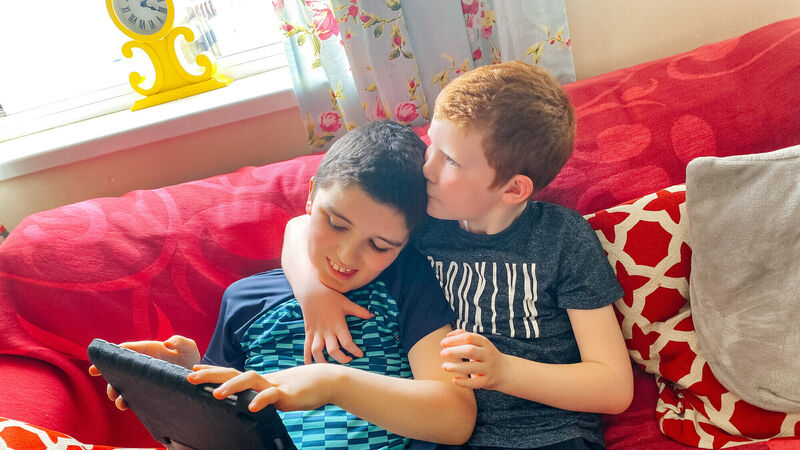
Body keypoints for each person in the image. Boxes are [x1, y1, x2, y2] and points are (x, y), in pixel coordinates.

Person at [280, 61, 634, 449]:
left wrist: (503, 371)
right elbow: (301, 225)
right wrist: (313, 293)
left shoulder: (562, 237)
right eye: (431, 144)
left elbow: (614, 387)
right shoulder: (426, 224)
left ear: (513, 189)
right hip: (446, 435)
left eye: (450, 160)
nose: (427, 169)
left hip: (550, 435)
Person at [89, 121, 477, 449]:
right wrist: (185, 379)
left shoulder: (407, 282)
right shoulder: (245, 299)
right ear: (310, 196)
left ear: (405, 244)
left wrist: (332, 382)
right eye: (336, 224)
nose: (346, 256)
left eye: (379, 245)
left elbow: (455, 418)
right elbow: (222, 422)